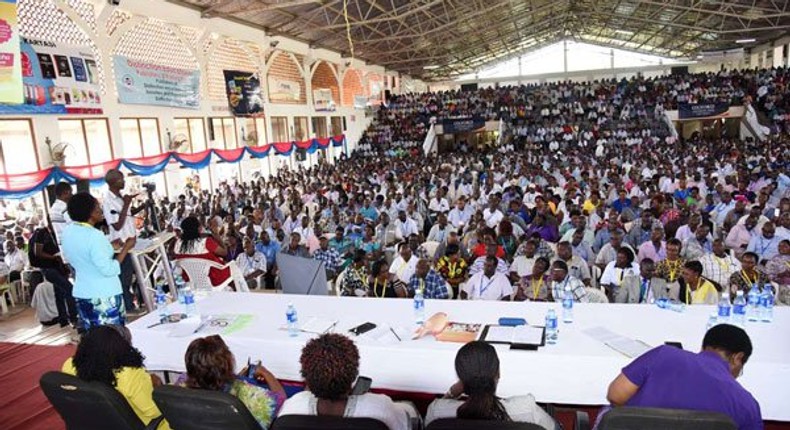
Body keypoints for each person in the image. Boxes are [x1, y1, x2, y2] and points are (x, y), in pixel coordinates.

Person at [605, 324, 762, 430]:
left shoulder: (663, 354)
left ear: (703, 347)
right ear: (738, 358)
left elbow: (615, 396)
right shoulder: (747, 405)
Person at [279, 333, 418, 430]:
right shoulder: (380, 407)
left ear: (306, 380)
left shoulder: (291, 407)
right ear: (353, 376)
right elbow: (409, 424)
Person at [426, 341, 556, 429]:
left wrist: (451, 393)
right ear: (498, 373)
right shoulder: (527, 408)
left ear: (461, 379)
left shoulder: (437, 412)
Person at [62, 325, 170, 430]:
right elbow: (155, 412)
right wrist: (158, 387)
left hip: (95, 423)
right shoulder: (129, 374)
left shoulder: (69, 365)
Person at [61, 193, 136, 330]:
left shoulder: (68, 232)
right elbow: (109, 269)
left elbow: (84, 254)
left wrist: (109, 247)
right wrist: (126, 248)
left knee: (93, 339)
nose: (101, 210)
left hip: (83, 292)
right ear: (88, 212)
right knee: (112, 340)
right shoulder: (95, 236)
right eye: (97, 207)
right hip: (103, 295)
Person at [183, 335, 285, 429]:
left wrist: (236, 377)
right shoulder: (248, 395)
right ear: (227, 364)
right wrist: (265, 372)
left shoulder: (178, 387)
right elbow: (282, 400)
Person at [103, 169, 145, 312]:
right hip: (122, 246)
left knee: (137, 275)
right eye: (121, 179)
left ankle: (141, 302)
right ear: (114, 182)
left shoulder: (120, 197)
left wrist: (142, 207)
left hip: (132, 242)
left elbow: (126, 216)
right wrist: (126, 204)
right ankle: (128, 307)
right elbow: (117, 224)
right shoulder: (108, 201)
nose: (124, 181)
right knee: (125, 279)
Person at [29, 223, 77, 328]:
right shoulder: (42, 233)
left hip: (57, 266)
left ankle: (63, 319)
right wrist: (53, 257)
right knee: (69, 289)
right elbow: (38, 252)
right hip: (48, 267)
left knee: (59, 292)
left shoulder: (55, 233)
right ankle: (74, 318)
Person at [173, 216, 231, 288]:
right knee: (231, 266)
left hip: (190, 279)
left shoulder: (178, 244)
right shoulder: (206, 242)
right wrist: (217, 236)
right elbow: (225, 252)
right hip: (213, 279)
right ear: (198, 228)